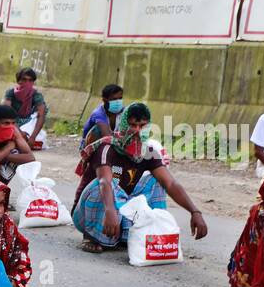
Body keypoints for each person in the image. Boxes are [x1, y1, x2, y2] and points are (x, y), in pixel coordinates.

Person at [73, 101, 208, 253]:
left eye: (142, 126)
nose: (137, 131)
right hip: (89, 210)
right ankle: (92, 236)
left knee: (156, 181)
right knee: (105, 184)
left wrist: (195, 212)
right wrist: (110, 211)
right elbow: (104, 181)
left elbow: (170, 183)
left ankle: (152, 233)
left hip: (120, 203)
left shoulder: (148, 152)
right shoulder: (107, 147)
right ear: (124, 126)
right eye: (133, 125)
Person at [4, 67, 47, 148]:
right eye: (24, 80)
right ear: (18, 81)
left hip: (29, 123)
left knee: (34, 138)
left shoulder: (36, 95)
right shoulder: (10, 93)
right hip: (13, 122)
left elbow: (41, 115)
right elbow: (6, 113)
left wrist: (33, 137)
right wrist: (19, 132)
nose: (27, 83)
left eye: (30, 80)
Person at [82, 83, 124, 149]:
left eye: (120, 98)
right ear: (104, 100)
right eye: (114, 99)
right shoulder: (98, 114)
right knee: (98, 130)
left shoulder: (123, 112)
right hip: (91, 147)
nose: (118, 102)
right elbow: (107, 137)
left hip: (114, 144)